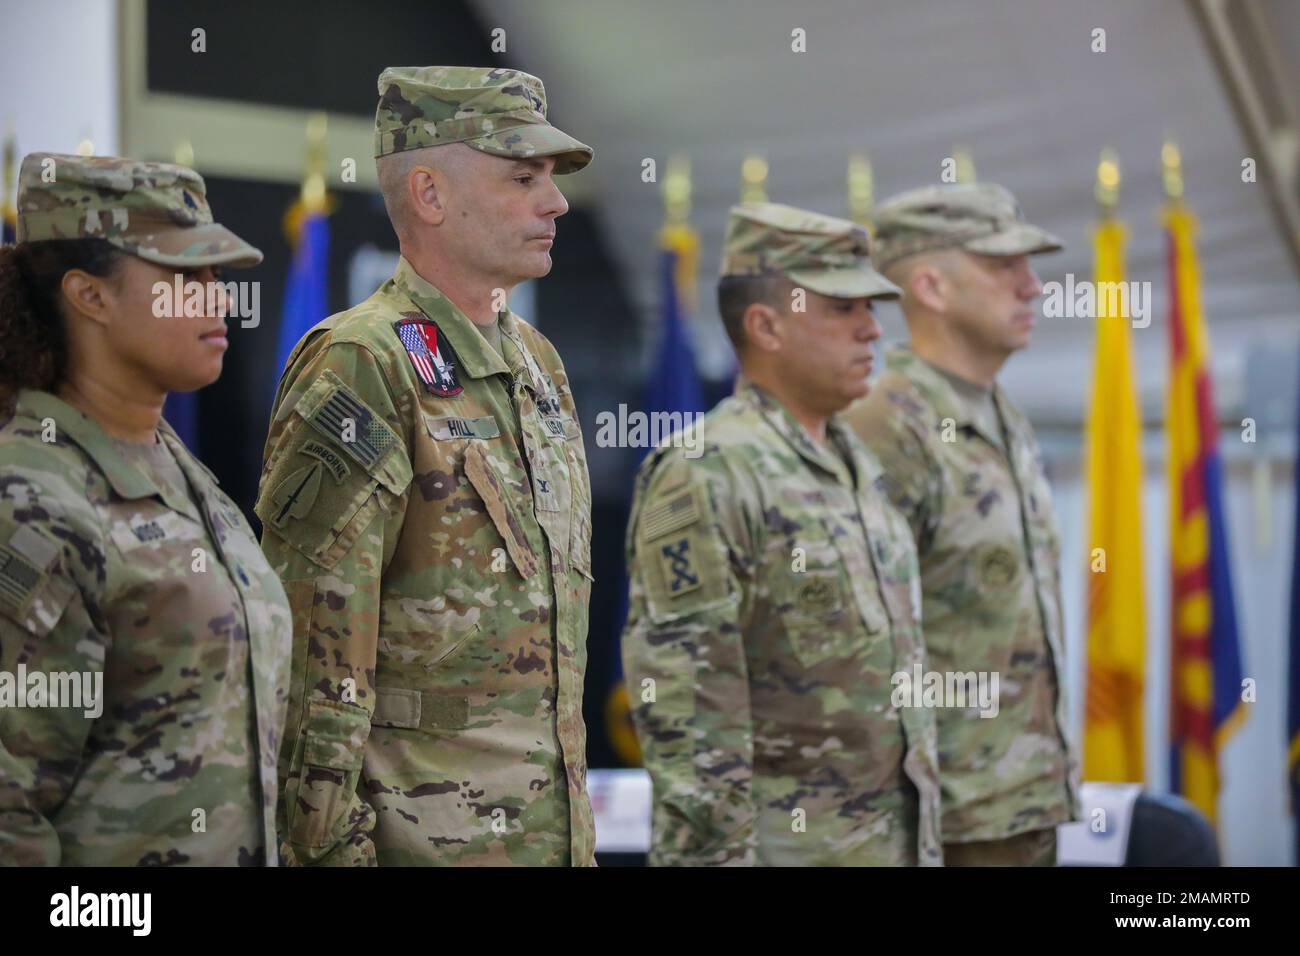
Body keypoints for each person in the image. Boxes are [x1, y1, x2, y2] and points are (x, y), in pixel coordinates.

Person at [258, 66, 597, 866]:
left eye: (551, 179)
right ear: (430, 194)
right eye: (524, 177)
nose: (557, 203)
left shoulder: (537, 362)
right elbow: (313, 659)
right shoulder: (362, 362)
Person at [622, 202, 943, 866]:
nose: (873, 332)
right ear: (765, 325)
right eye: (842, 310)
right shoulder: (709, 470)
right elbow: (688, 715)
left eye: (871, 310)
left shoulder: (857, 464)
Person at [0, 152, 290, 865]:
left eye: (216, 276)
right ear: (89, 295)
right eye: (183, 277)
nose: (217, 300)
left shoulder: (177, 471)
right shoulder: (32, 498)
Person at [843, 182, 1080, 866]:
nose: (1032, 287)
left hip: (1021, 805)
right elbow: (855, 648)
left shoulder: (1003, 417)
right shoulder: (886, 427)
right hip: (942, 823)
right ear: (932, 287)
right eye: (1003, 266)